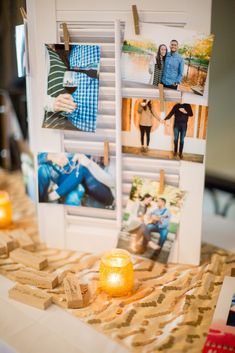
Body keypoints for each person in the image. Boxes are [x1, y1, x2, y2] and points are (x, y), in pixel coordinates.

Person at [38, 153, 115, 208]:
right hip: (86, 183)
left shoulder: (113, 154)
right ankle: (56, 192)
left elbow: (112, 182)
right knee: (77, 164)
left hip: (109, 194)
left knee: (82, 168)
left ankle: (53, 196)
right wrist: (74, 159)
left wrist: (89, 164)